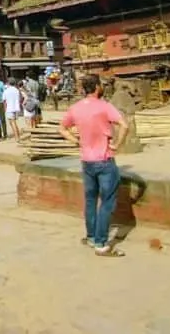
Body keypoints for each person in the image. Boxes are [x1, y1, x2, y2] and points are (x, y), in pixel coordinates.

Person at [59, 75, 129, 257]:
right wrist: (117, 144)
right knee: (106, 202)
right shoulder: (104, 106)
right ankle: (101, 243)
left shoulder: (75, 108)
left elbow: (62, 128)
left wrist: (76, 141)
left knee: (90, 200)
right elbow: (124, 125)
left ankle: (91, 236)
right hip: (104, 159)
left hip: (87, 161)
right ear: (97, 87)